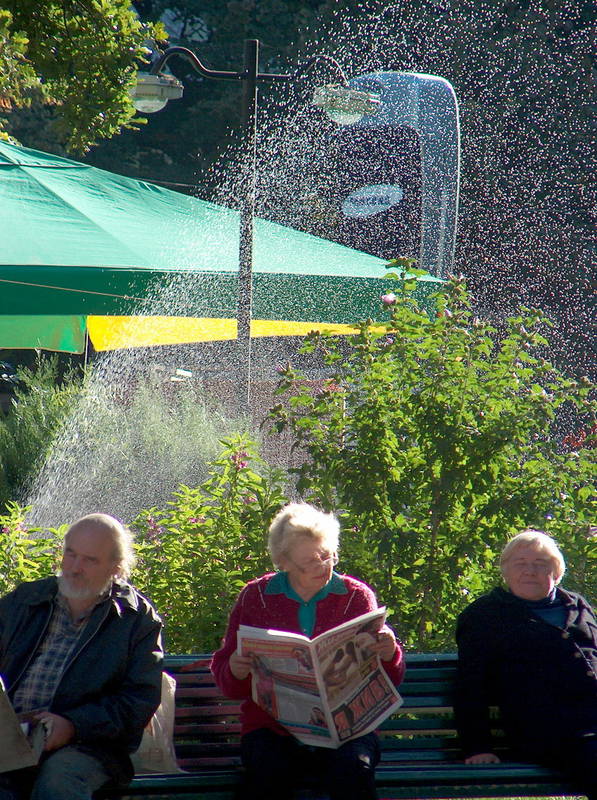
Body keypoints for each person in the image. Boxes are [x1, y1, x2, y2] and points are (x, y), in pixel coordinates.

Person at [211, 502, 404, 800]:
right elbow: (228, 678)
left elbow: (389, 678)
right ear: (283, 562)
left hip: (348, 730)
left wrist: (390, 653)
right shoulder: (255, 597)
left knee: (353, 769)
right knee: (267, 773)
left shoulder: (356, 597)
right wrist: (235, 670)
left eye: (327, 556)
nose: (322, 567)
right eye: (309, 562)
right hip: (272, 728)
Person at [0, 513, 164, 800]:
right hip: (10, 736)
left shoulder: (136, 620)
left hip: (88, 745)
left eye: (90, 560)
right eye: (70, 554)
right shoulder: (27, 599)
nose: (74, 568)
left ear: (116, 568)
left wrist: (74, 725)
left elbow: (138, 701)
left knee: (58, 782)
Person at [454, 529, 596, 800]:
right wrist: (477, 746)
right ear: (506, 572)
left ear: (556, 571)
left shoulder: (577, 605)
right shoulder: (484, 615)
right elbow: (470, 684)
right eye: (520, 564)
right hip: (546, 728)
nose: (529, 571)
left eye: (540, 564)